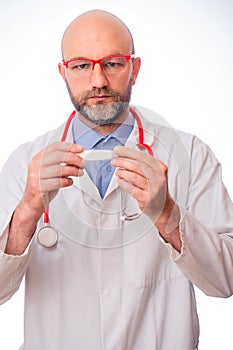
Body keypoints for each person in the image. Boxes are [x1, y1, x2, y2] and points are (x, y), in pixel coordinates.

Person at [0, 9, 232, 350]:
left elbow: (225, 280)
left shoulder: (191, 155)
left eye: (112, 63)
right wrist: (27, 214)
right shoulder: (26, 163)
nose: (98, 81)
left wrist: (167, 213)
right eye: (81, 65)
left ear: (134, 69)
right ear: (63, 72)